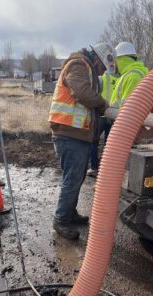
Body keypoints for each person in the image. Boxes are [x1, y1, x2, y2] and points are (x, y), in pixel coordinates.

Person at [48, 43, 113, 240]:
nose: (102, 71)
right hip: (69, 134)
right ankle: (61, 220)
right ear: (97, 59)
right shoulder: (78, 65)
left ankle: (69, 212)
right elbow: (82, 93)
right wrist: (103, 104)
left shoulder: (85, 67)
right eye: (102, 67)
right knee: (73, 179)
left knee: (77, 177)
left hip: (76, 134)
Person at [87, 50, 119, 177]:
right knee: (109, 144)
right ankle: (106, 170)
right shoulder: (120, 79)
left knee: (93, 141)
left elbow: (93, 94)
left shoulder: (101, 78)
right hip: (114, 115)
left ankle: (94, 167)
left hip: (101, 114)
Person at [110, 42, 149, 109]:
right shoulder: (126, 76)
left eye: (115, 61)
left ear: (121, 60)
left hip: (125, 118)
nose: (114, 64)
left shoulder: (133, 76)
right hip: (117, 117)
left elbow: (128, 108)